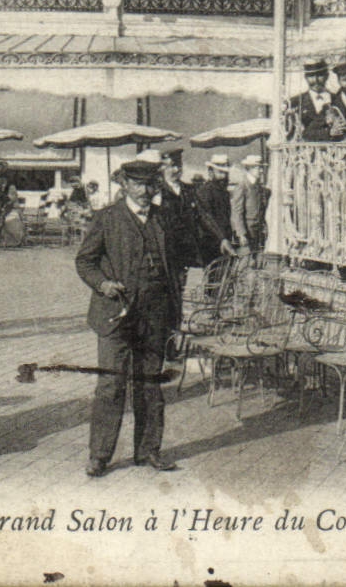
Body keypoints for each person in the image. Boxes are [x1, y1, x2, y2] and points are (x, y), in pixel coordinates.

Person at [75, 158, 181, 477]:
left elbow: (174, 270)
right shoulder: (107, 218)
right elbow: (84, 262)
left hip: (155, 315)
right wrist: (103, 284)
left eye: (151, 185)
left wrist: (175, 318)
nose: (145, 191)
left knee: (150, 384)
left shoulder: (164, 219)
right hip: (115, 315)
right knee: (111, 384)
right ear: (125, 186)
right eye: (138, 184)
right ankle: (100, 455)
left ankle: (148, 450)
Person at [152, 148, 201, 272]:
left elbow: (203, 215)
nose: (176, 170)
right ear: (162, 168)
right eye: (172, 166)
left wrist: (222, 238)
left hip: (189, 248)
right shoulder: (157, 191)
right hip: (168, 250)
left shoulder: (189, 190)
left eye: (179, 166)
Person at [193, 154, 234, 263]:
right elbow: (207, 218)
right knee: (214, 275)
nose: (224, 176)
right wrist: (222, 238)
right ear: (211, 172)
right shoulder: (205, 191)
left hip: (225, 240)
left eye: (226, 173)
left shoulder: (224, 192)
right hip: (210, 242)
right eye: (220, 172)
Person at [286, 59, 338, 142]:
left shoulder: (337, 99)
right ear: (305, 77)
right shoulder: (295, 101)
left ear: (327, 76)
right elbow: (288, 134)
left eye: (320, 75)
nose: (316, 80)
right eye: (311, 76)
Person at [230, 154, 270, 254]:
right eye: (258, 168)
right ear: (249, 168)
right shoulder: (243, 186)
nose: (261, 171)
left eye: (261, 168)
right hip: (248, 231)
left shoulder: (259, 187)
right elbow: (237, 212)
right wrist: (241, 234)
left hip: (258, 230)